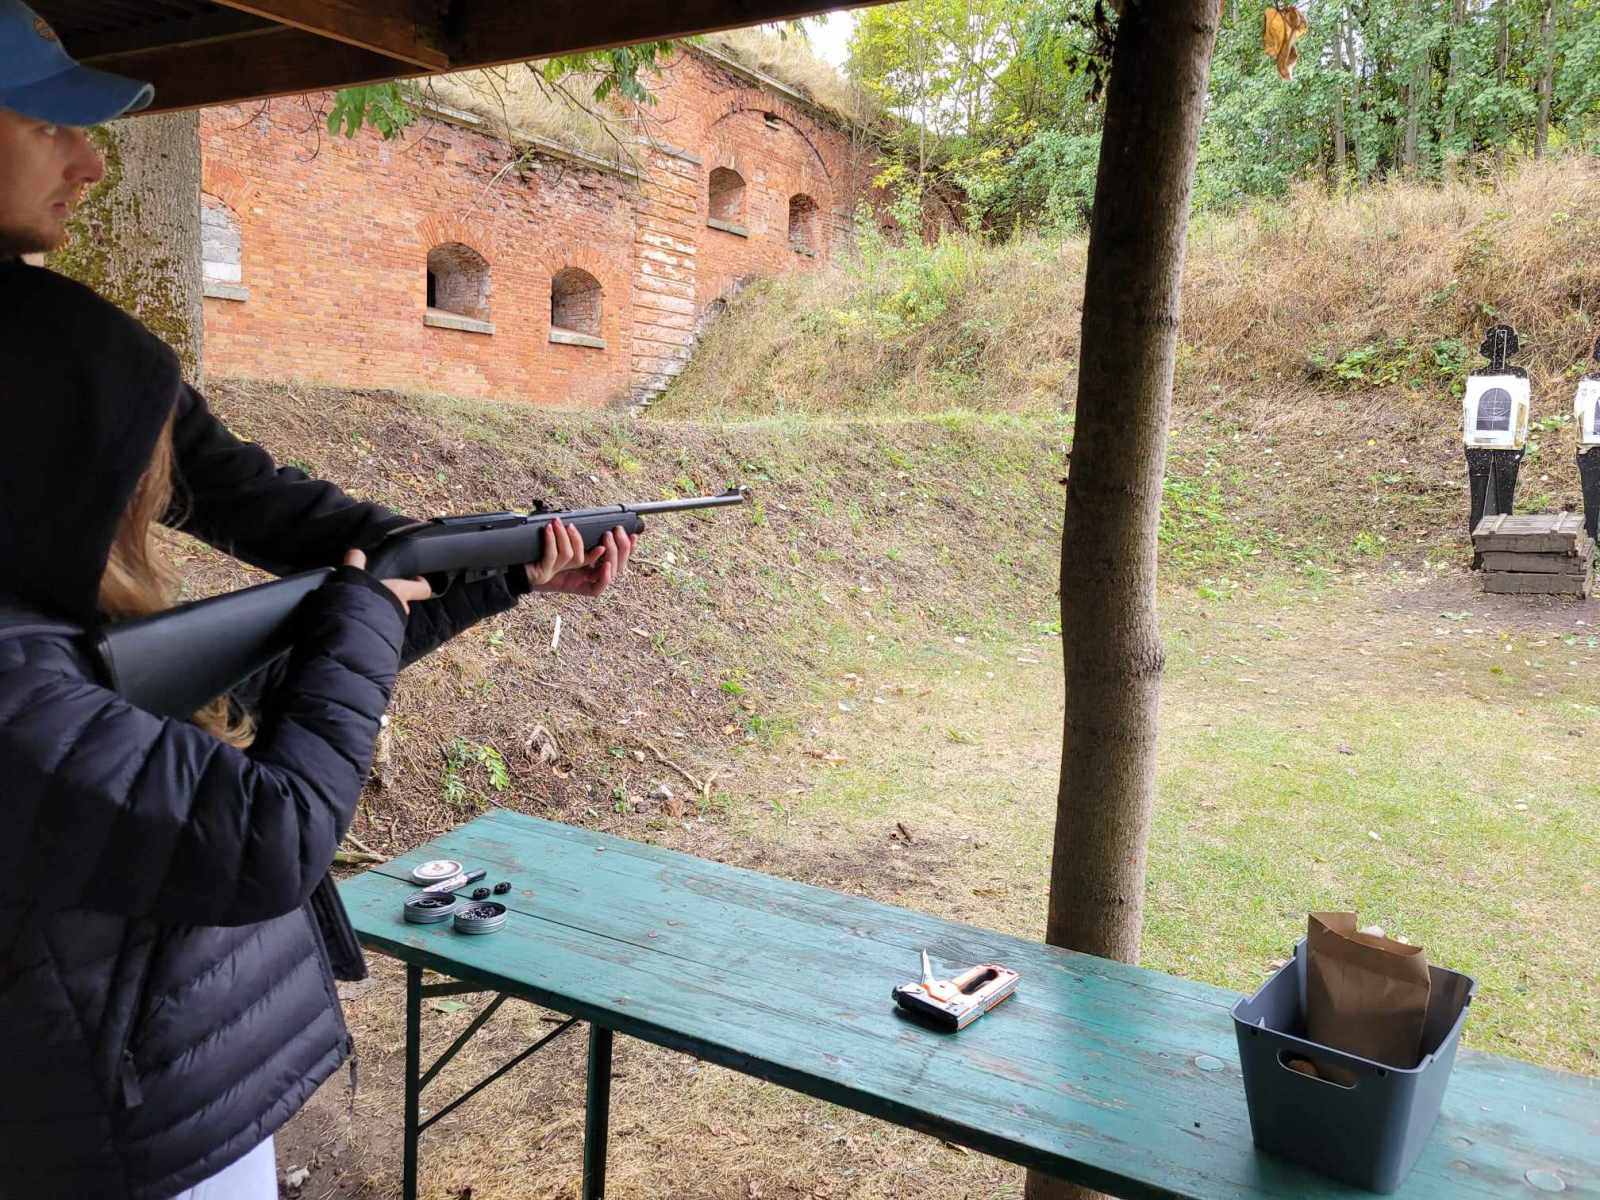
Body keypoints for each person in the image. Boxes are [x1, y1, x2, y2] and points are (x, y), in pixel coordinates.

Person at [0, 4, 636, 1195]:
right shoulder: (25, 681)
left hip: (163, 1087)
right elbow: (271, 834)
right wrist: (371, 595)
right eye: (47, 123)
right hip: (122, 1135)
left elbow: (280, 563)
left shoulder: (61, 636)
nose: (90, 161)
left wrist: (497, 566)